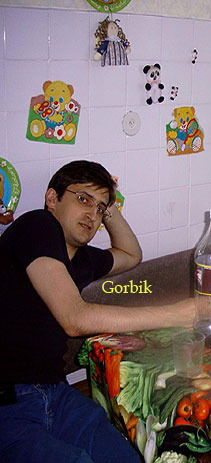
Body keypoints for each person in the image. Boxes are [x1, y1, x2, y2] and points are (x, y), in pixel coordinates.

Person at [0, 161, 195, 462]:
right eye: (83, 199)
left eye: (99, 208)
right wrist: (175, 314)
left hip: (57, 394)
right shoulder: (36, 226)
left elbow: (131, 254)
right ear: (52, 198)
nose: (92, 214)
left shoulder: (81, 260)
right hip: (9, 403)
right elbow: (75, 319)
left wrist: (109, 204)